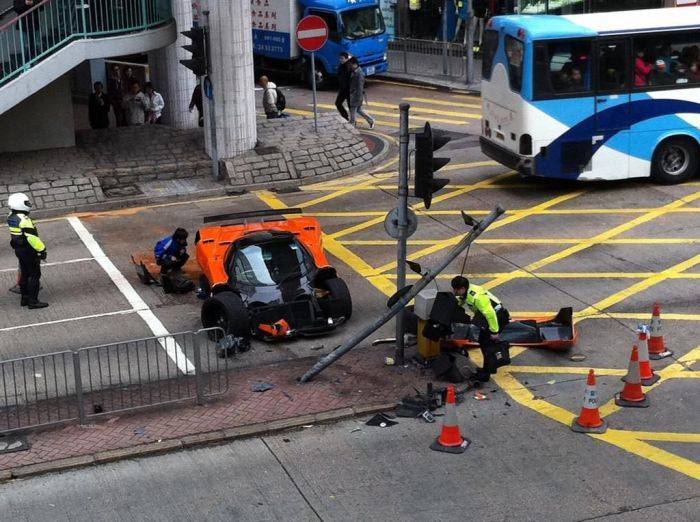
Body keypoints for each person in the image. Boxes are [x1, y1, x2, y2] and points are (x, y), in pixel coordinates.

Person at [451, 276, 509, 382]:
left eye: (456, 289)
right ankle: (487, 369)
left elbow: (490, 314)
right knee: (483, 341)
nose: (454, 291)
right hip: (487, 316)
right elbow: (462, 300)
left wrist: (494, 331)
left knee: (487, 345)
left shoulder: (477, 298)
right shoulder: (468, 291)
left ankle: (486, 374)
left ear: (463, 288)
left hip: (497, 317)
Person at [7, 193, 48, 309]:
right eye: (26, 203)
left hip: (19, 249)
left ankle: (24, 298)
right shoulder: (25, 220)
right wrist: (42, 250)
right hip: (28, 250)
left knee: (24, 274)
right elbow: (33, 238)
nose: (28, 205)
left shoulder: (11, 216)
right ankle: (33, 301)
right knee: (34, 275)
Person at [348, 58, 375, 129]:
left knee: (352, 109)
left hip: (356, 95)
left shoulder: (359, 74)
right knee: (359, 110)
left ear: (355, 64)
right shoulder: (354, 71)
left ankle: (352, 124)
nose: (350, 66)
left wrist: (358, 98)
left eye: (351, 65)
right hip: (354, 94)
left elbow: (360, 87)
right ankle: (371, 120)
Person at [335, 52, 352, 121]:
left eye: (342, 58)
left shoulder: (349, 67)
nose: (341, 60)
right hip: (342, 89)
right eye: (340, 58)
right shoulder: (340, 66)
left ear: (347, 59)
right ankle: (345, 117)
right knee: (338, 103)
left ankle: (353, 120)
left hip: (349, 90)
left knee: (351, 107)